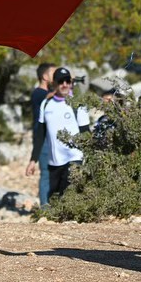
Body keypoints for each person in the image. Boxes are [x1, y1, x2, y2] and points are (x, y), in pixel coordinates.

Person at [25, 67, 90, 200]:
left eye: (67, 81)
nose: (64, 84)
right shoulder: (46, 104)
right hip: (55, 161)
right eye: (61, 81)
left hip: (74, 158)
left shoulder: (78, 104)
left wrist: (91, 157)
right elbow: (40, 134)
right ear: (54, 83)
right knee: (54, 197)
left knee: (70, 194)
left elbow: (86, 132)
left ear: (71, 83)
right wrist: (33, 160)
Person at [29, 63, 56, 207]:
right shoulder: (38, 93)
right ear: (45, 77)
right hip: (43, 138)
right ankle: (45, 206)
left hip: (53, 137)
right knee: (46, 172)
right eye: (54, 73)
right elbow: (48, 98)